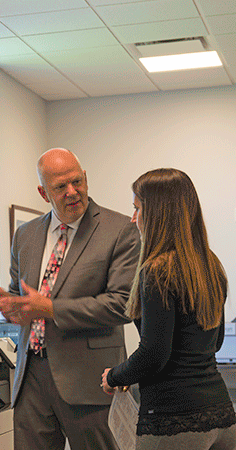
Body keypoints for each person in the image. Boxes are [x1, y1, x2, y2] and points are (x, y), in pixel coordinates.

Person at [0, 148, 140, 450]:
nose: (72, 192)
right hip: (31, 377)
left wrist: (49, 308)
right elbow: (22, 300)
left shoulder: (120, 230)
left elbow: (122, 305)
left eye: (77, 182)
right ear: (43, 192)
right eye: (60, 187)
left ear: (86, 178)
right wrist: (7, 306)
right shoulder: (24, 235)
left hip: (91, 378)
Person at [101, 168, 236, 449]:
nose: (133, 218)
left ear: (158, 214)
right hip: (222, 417)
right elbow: (216, 341)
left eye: (137, 209)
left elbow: (154, 354)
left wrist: (114, 376)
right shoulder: (211, 266)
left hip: (174, 421)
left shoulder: (157, 271)